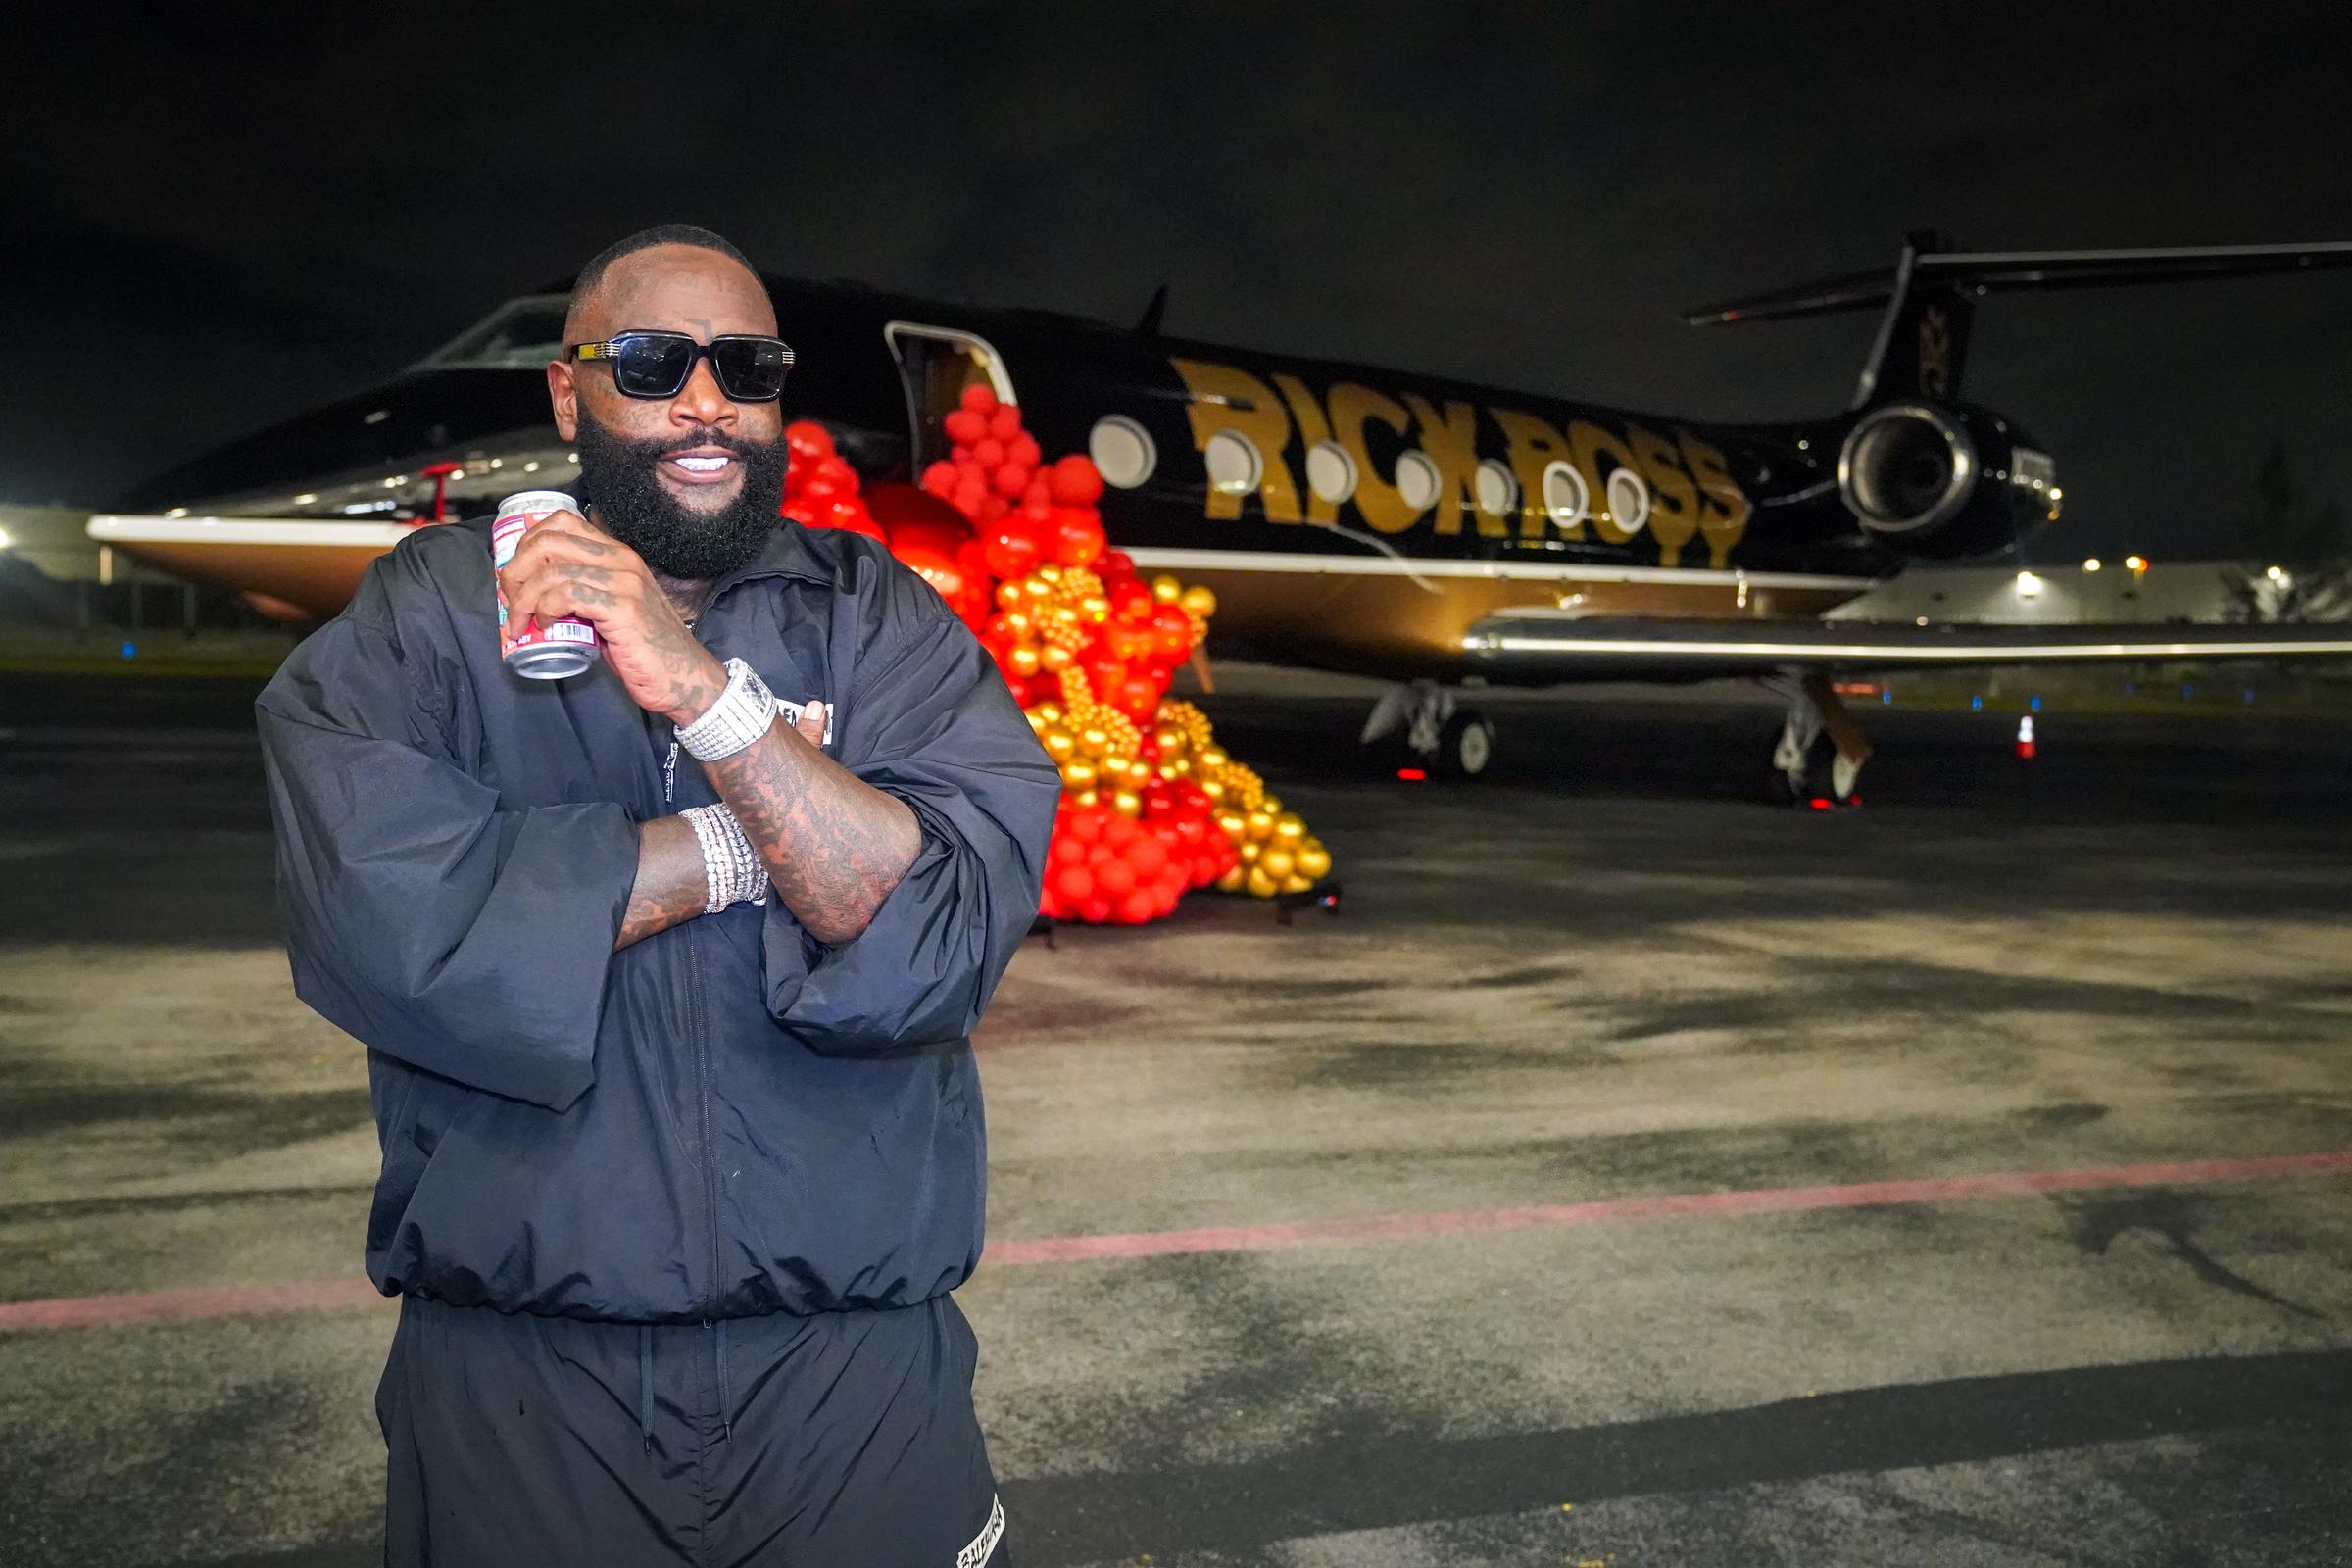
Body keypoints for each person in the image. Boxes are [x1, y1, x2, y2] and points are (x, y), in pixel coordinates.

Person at [257, 223, 1057, 1567]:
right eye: (652, 360)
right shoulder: (429, 622)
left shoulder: (879, 618)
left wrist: (706, 695)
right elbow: (389, 927)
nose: (705, 400)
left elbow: (940, 933)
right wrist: (740, 847)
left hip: (852, 1385)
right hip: (523, 1390)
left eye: (746, 367)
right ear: (570, 393)